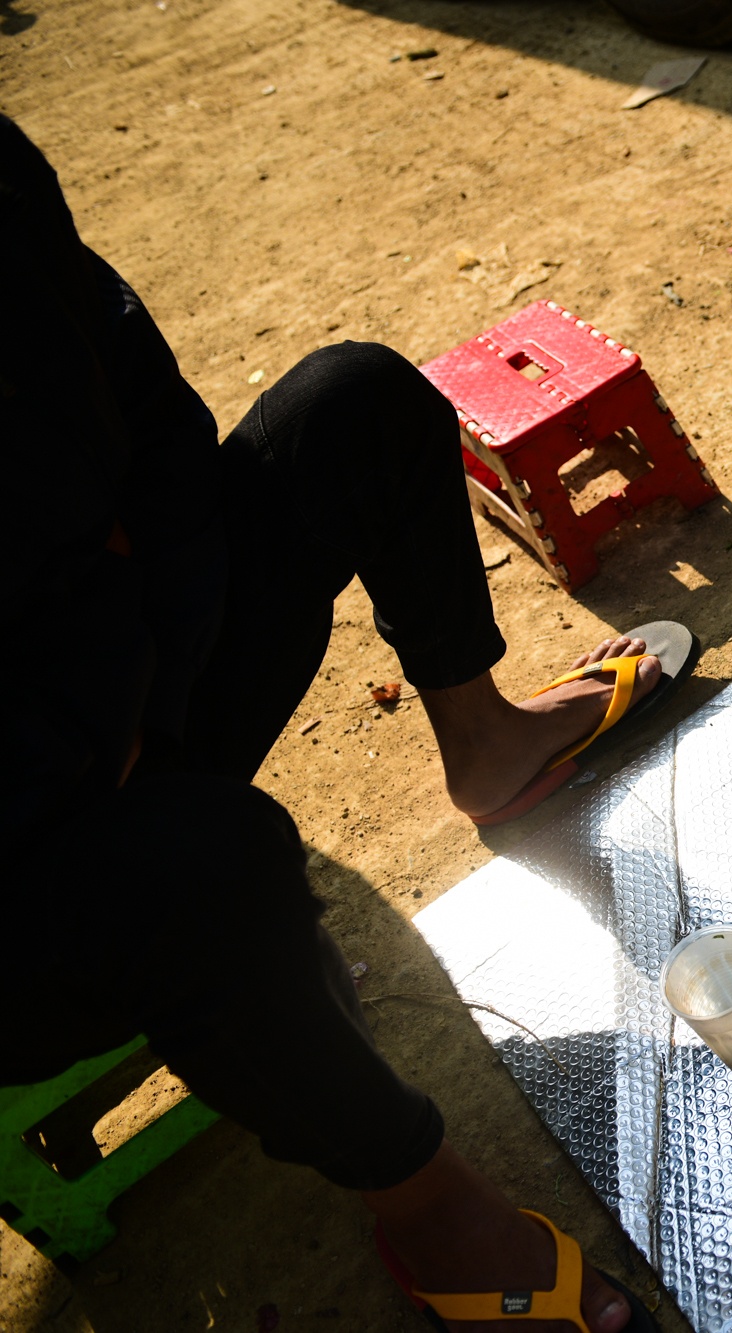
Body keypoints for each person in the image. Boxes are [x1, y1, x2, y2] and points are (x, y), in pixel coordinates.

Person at [0, 114, 690, 1331]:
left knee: (357, 401)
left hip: (126, 665)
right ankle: (424, 1203)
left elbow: (152, 420)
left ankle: (486, 742)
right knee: (209, 860)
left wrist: (129, 625)